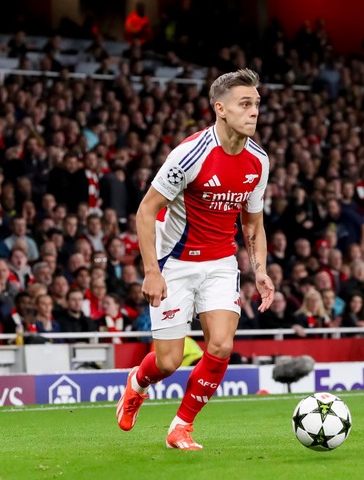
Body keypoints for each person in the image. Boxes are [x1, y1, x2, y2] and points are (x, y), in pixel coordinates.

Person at [116, 69, 274, 450]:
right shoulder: (189, 154)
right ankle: (137, 383)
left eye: (256, 104)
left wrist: (261, 271)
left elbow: (252, 222)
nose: (254, 112)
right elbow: (144, 211)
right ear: (220, 109)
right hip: (176, 263)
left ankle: (181, 427)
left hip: (221, 263)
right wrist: (151, 272)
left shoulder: (258, 161)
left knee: (220, 346)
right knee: (168, 362)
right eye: (245, 104)